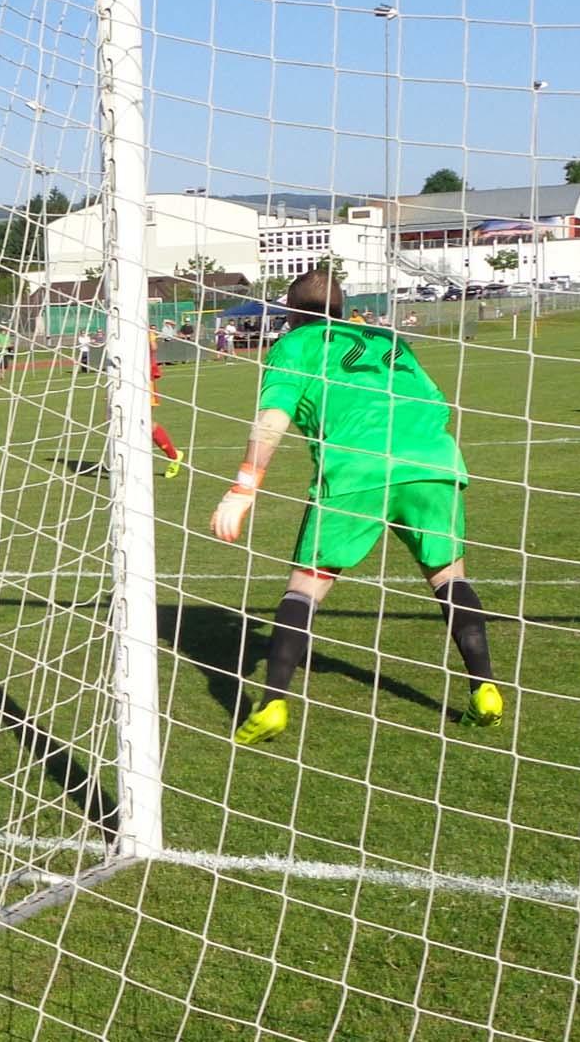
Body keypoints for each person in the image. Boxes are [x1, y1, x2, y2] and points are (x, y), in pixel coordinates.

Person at [210, 267, 500, 745]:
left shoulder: (295, 344)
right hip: (433, 462)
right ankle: (485, 689)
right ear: (342, 309)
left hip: (357, 469)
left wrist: (243, 488)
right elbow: (435, 400)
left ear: (289, 314)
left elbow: (273, 418)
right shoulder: (388, 340)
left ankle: (272, 705)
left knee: (305, 588)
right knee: (450, 576)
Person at [148, 330, 183, 480]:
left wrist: (148, 339)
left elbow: (154, 347)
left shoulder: (139, 326)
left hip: (142, 380)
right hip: (122, 382)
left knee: (144, 422)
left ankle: (174, 455)